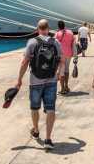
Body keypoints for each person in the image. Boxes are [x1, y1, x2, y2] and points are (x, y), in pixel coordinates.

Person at [14, 19, 62, 150]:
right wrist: (59, 74)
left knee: (35, 108)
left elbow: (24, 62)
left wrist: (19, 79)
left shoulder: (32, 42)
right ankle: (48, 139)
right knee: (50, 109)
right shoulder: (56, 42)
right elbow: (61, 60)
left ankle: (35, 130)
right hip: (51, 81)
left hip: (35, 81)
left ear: (37, 29)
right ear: (48, 28)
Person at [54, 20, 76, 95]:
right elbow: (73, 43)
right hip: (69, 54)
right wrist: (75, 54)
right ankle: (66, 86)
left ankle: (62, 88)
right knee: (66, 70)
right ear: (64, 25)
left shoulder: (57, 34)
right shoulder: (70, 32)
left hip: (61, 55)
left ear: (58, 26)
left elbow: (55, 45)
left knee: (61, 72)